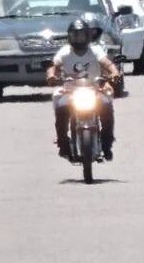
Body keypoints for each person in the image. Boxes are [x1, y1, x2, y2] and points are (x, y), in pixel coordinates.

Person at [46, 18, 121, 160]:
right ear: (69, 36)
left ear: (88, 36)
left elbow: (107, 63)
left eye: (82, 35)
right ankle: (63, 144)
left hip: (94, 90)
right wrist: (51, 75)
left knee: (106, 107)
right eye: (75, 35)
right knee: (61, 108)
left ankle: (106, 143)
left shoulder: (95, 50)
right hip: (70, 91)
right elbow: (53, 65)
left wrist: (114, 73)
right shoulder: (65, 52)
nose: (79, 39)